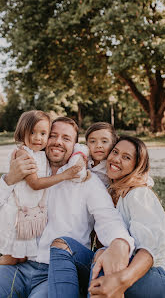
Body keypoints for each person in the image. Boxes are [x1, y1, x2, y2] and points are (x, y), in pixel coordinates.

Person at [0, 116, 136, 298]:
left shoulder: (86, 180)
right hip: (18, 265)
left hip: (53, 273)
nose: (57, 142)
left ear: (76, 146)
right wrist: (9, 180)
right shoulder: (30, 168)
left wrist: (120, 241)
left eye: (66, 138)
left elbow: (108, 218)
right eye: (52, 135)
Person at [88, 136, 165, 298]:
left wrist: (121, 280)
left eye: (126, 157)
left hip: (150, 274)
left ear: (136, 166)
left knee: (106, 261)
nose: (116, 159)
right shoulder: (109, 192)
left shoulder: (138, 194)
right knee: (65, 247)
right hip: (116, 266)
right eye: (115, 152)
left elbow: (149, 250)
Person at [0, 110, 83, 266]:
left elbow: (77, 148)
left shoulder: (41, 153)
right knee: (12, 257)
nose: (38, 138)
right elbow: (35, 184)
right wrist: (65, 175)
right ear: (22, 132)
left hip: (30, 215)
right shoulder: (23, 153)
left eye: (43, 133)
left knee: (22, 256)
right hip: (17, 215)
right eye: (32, 132)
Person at [85, 122, 117, 187]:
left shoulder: (113, 166)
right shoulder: (84, 159)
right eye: (93, 141)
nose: (98, 146)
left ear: (113, 144)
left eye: (104, 141)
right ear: (87, 144)